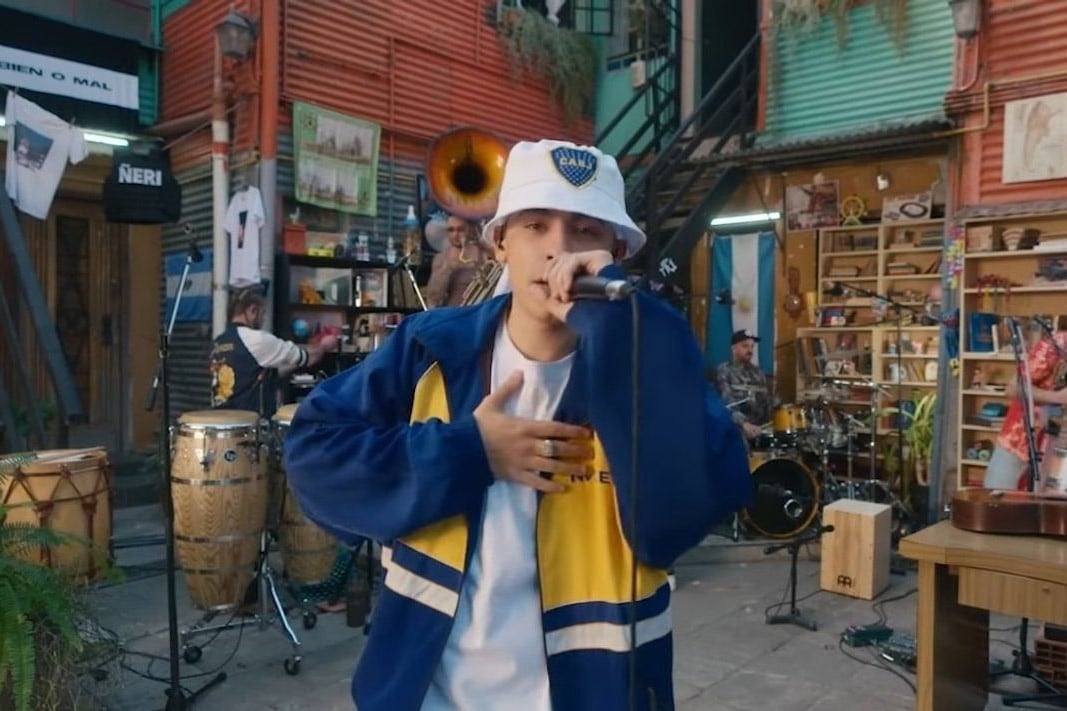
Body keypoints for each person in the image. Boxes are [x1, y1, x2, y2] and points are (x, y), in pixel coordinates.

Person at [283, 138, 751, 710]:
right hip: (429, 696)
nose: (558, 249)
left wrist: (632, 327)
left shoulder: (646, 359)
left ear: (615, 250)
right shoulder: (431, 349)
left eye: (585, 230)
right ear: (500, 242)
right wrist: (470, 452)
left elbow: (687, 512)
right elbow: (312, 455)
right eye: (536, 225)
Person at [209, 285, 337, 418]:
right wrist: (324, 345)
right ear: (253, 311)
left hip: (224, 421)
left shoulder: (219, 342)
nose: (263, 320)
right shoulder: (256, 339)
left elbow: (256, 376)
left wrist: (295, 364)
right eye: (263, 314)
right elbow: (309, 356)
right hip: (251, 426)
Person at [984, 321, 1067, 490]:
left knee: (1046, 509)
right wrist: (1057, 397)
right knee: (997, 500)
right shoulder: (1057, 345)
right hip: (1020, 438)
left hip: (1057, 449)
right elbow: (1013, 388)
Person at [715, 329, 775, 442]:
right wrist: (744, 424)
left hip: (759, 428)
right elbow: (727, 404)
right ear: (733, 348)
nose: (750, 350)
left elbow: (765, 403)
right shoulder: (724, 371)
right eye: (745, 346)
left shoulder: (758, 373)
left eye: (752, 346)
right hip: (736, 427)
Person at [424, 213, 493, 306]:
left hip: (483, 311)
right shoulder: (441, 258)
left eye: (460, 230)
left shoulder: (484, 253)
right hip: (455, 313)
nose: (455, 235)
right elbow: (433, 298)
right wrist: (447, 267)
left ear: (469, 230)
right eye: (451, 230)